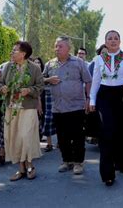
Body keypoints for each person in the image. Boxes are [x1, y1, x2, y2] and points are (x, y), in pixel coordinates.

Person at [89, 30, 123, 186]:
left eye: (116, 38)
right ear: (105, 42)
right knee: (106, 132)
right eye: (110, 38)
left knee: (122, 131)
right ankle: (107, 173)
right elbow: (95, 80)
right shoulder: (99, 59)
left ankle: (122, 163)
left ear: (120, 41)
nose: (113, 41)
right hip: (105, 96)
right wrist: (92, 100)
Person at [44, 36, 92, 175]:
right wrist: (48, 79)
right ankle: (66, 161)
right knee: (62, 137)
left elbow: (88, 81)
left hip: (76, 106)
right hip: (58, 107)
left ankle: (78, 163)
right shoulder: (50, 64)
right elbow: (40, 80)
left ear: (68, 48)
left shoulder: (78, 63)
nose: (57, 49)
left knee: (77, 136)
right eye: (56, 46)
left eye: (60, 46)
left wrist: (89, 98)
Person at [0, 41, 43, 181]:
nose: (12, 53)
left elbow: (40, 87)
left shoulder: (35, 68)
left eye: (14, 50)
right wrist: (2, 88)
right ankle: (21, 168)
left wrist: (29, 90)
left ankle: (30, 165)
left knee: (25, 136)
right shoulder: (8, 67)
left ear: (23, 54)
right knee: (14, 137)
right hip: (11, 108)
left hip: (28, 108)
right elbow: (0, 82)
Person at [85, 44, 107, 145]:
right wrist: (89, 98)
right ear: (99, 53)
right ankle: (98, 138)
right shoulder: (93, 65)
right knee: (98, 119)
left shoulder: (115, 64)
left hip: (109, 96)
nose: (105, 55)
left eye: (107, 53)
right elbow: (89, 81)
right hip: (96, 96)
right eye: (103, 53)